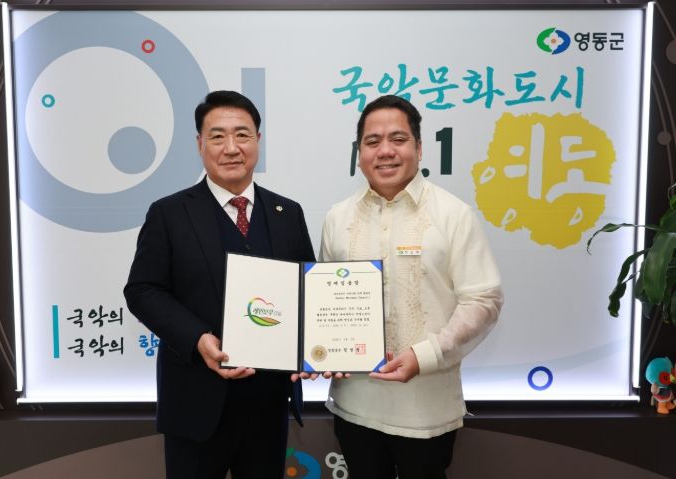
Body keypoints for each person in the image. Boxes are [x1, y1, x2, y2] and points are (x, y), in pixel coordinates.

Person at [124, 90, 315, 479]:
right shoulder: (169, 213)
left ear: (258, 140)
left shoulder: (287, 212)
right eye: (217, 136)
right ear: (200, 144)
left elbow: (308, 291)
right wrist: (198, 338)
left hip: (268, 406)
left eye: (242, 135)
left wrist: (314, 350)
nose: (231, 148)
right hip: (195, 404)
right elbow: (142, 290)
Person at [319, 95, 503, 478]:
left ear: (419, 148)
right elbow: (323, 304)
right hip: (354, 406)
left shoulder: (454, 215)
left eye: (398, 139)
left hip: (426, 409)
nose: (385, 151)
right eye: (372, 141)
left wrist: (426, 355)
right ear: (359, 154)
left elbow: (483, 300)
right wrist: (321, 351)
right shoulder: (337, 218)